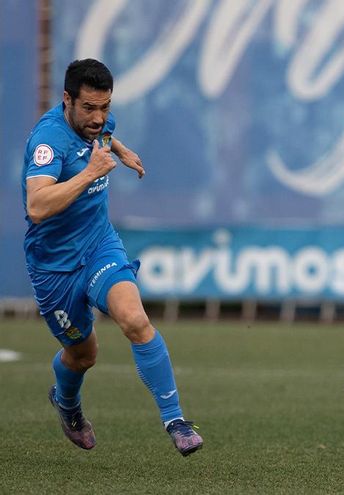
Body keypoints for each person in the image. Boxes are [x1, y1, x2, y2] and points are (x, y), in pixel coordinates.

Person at [21, 59, 203, 456]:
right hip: (54, 266)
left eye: (105, 107)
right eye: (89, 108)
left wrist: (119, 149)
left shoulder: (98, 119)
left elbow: (104, 132)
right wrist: (89, 173)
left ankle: (175, 420)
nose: (99, 117)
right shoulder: (47, 142)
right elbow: (36, 206)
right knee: (83, 355)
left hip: (99, 245)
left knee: (135, 319)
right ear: (67, 100)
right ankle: (67, 404)